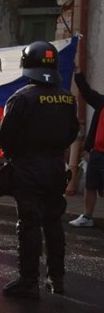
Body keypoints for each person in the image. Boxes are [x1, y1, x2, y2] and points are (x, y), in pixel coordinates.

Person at [0, 41, 78, 298]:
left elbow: (5, 137)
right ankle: (57, 279)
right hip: (55, 168)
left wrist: (14, 156)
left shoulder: (21, 98)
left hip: (28, 169)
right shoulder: (67, 98)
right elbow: (72, 133)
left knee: (29, 224)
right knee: (54, 223)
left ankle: (28, 281)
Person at [68, 70, 104, 228]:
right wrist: (78, 74)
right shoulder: (101, 102)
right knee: (90, 185)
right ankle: (87, 216)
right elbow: (86, 92)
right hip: (97, 153)